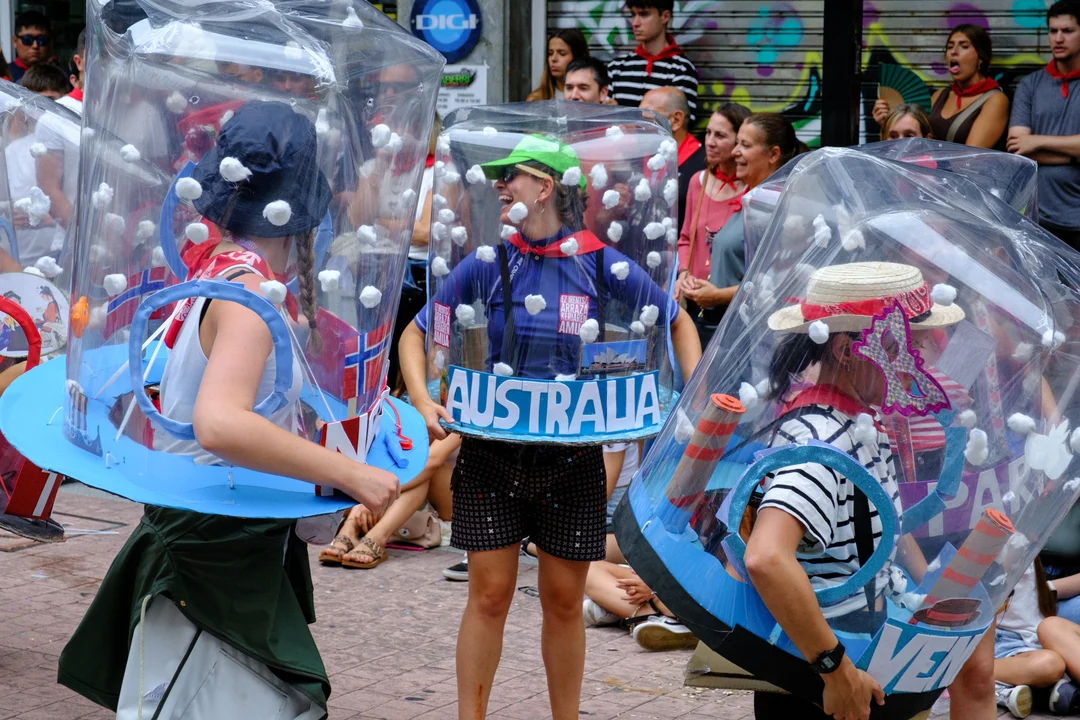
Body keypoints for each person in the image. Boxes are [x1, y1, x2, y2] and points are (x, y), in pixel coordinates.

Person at [56, 101, 400, 718]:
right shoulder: (246, 299)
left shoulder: (229, 274)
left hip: (217, 525)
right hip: (215, 537)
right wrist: (350, 472)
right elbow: (220, 423)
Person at [399, 133, 702, 720]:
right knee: (489, 598)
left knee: (564, 603)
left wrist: (691, 400)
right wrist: (420, 399)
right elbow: (417, 332)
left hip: (573, 460)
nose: (499, 185)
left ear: (544, 187)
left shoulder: (601, 261)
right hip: (491, 455)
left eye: (512, 175)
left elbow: (676, 321)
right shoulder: (488, 262)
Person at [744, 261, 965, 720]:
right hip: (823, 682)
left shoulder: (854, 422)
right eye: (905, 348)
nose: (917, 365)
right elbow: (766, 558)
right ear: (847, 350)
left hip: (852, 658)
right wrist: (836, 671)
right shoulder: (822, 442)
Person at [679, 111, 799, 348]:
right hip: (727, 329)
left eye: (745, 145)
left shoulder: (777, 207)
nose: (735, 152)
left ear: (773, 154)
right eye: (737, 144)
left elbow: (778, 285)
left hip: (752, 338)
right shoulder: (753, 199)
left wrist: (717, 296)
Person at [319, 433, 459, 568]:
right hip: (403, 493)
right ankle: (350, 529)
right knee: (385, 457)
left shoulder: (462, 417)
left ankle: (377, 537)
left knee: (420, 467)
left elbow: (431, 461)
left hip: (446, 499)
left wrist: (377, 493)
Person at [1008, 0, 1080, 249]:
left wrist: (1037, 141)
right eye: (1053, 31)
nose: (1058, 38)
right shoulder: (1030, 84)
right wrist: (1073, 153)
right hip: (1038, 218)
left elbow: (1029, 144)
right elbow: (1018, 148)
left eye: (1067, 31)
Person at [607, 0, 699, 120]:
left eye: (644, 14)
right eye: (633, 15)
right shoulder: (617, 66)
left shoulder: (681, 69)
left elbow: (680, 125)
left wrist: (621, 116)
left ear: (665, 16)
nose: (635, 23)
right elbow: (604, 119)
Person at [639, 86, 706, 230]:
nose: (640, 126)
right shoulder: (638, 158)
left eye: (647, 119)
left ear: (676, 120)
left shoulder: (703, 165)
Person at [527, 29, 589, 102]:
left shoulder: (593, 98)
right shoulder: (536, 99)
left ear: (578, 58)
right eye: (550, 54)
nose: (553, 59)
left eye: (562, 53)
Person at [9, 12, 53, 84]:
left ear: (50, 42)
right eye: (27, 39)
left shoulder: (62, 77)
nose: (35, 46)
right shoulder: (4, 78)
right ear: (15, 41)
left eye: (42, 40)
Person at [57, 30, 85, 116]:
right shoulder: (57, 113)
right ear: (78, 62)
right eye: (100, 55)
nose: (107, 63)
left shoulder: (120, 109)